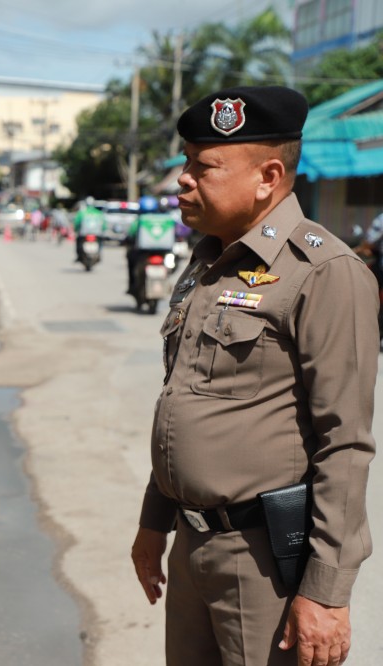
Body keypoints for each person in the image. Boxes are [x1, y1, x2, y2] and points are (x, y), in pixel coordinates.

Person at [130, 85, 377, 666]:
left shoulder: (324, 272)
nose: (183, 179)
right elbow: (183, 400)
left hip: (263, 561)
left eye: (204, 166)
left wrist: (325, 592)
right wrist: (153, 521)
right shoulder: (209, 262)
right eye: (187, 161)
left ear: (268, 177)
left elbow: (345, 443)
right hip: (192, 545)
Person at [124, 195, 177, 295]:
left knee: (131, 260)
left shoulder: (139, 220)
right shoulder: (166, 219)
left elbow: (131, 234)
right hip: (164, 252)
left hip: (143, 253)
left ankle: (132, 286)